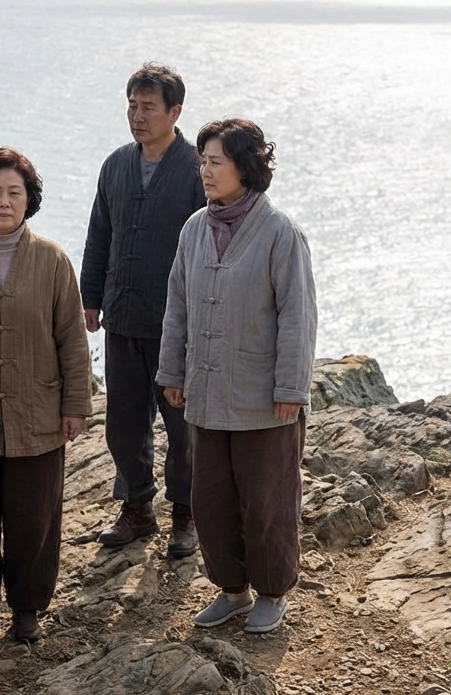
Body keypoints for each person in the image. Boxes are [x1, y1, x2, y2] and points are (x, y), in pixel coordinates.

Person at [157, 118, 317, 635]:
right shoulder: (193, 229)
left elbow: (298, 315)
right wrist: (172, 372)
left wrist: (291, 388)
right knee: (212, 499)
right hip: (206, 393)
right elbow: (177, 306)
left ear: (245, 167)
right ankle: (231, 589)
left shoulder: (280, 233)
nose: (205, 170)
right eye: (202, 160)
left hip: (264, 401)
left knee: (266, 500)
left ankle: (271, 592)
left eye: (216, 161)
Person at [0, 148, 92, 646]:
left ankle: (28, 608)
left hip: (38, 414)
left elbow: (72, 338)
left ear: (30, 198)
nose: (5, 201)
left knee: (35, 518)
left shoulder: (53, 259)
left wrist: (76, 404)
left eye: (15, 192)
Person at [79, 62, 206, 557]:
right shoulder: (115, 165)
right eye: (132, 105)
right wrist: (91, 297)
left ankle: (186, 514)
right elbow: (99, 237)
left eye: (148, 107)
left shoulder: (197, 168)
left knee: (182, 428)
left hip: (177, 324)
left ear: (174, 112)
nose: (137, 115)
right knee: (123, 422)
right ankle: (138, 507)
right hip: (123, 316)